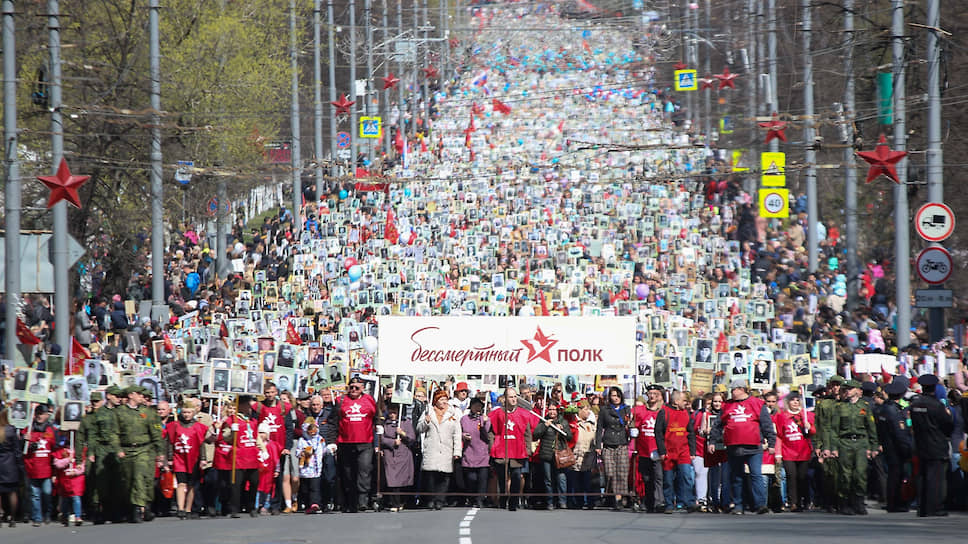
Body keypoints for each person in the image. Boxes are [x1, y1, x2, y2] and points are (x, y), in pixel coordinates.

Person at [709, 379, 776, 515]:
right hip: (734, 446)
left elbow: (766, 424)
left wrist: (771, 442)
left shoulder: (757, 404)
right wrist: (712, 441)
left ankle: (760, 505)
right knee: (736, 476)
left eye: (733, 390)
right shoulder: (727, 406)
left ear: (741, 389)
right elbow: (717, 425)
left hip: (753, 446)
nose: (731, 392)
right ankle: (738, 505)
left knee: (756, 475)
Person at [111, 385, 165, 523]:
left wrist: (160, 452)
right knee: (128, 480)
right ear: (131, 395)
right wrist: (118, 450)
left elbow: (156, 434)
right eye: (139, 394)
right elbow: (114, 433)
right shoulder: (119, 412)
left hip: (144, 450)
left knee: (139, 477)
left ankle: (138, 508)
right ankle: (136, 507)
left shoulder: (148, 413)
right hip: (126, 450)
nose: (142, 397)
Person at [826, 379, 878, 515]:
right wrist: (834, 447)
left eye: (850, 389)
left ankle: (859, 502)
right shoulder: (840, 407)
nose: (847, 391)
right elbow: (834, 429)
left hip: (861, 443)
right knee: (845, 475)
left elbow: (871, 428)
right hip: (845, 443)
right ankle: (844, 502)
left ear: (857, 390)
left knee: (860, 474)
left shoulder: (864, 406)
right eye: (846, 389)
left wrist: (874, 446)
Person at [908, 374, 954, 517]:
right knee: (937, 478)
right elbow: (948, 424)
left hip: (921, 444)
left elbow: (913, 424)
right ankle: (935, 507)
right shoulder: (937, 405)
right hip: (936, 444)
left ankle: (923, 507)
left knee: (922, 476)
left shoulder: (915, 405)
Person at [335, 376, 378, 512]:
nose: (353, 389)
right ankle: (349, 502)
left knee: (364, 471)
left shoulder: (369, 400)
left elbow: (377, 418)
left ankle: (363, 501)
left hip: (365, 442)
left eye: (357, 387)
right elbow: (333, 421)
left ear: (362, 388)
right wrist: (332, 442)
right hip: (345, 442)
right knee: (347, 473)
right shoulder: (340, 400)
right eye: (351, 387)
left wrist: (378, 437)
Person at [417, 389, 462, 510]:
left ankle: (440, 500)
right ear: (435, 401)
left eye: (445, 400)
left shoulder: (452, 415)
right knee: (430, 476)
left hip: (446, 449)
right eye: (441, 400)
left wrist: (457, 451)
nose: (444, 402)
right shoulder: (429, 412)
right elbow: (419, 428)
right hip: (432, 448)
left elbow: (457, 434)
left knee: (444, 477)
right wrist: (425, 422)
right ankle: (430, 499)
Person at [164, 399, 210, 519]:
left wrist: (203, 459)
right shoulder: (174, 425)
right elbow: (170, 442)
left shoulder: (198, 427)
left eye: (189, 412)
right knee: (181, 483)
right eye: (184, 412)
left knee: (191, 485)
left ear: (193, 413)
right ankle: (180, 508)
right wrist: (169, 458)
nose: (186, 415)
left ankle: (188, 508)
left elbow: (201, 444)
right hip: (179, 457)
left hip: (193, 458)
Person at [251, 382, 293, 514]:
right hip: (264, 448)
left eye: (272, 392)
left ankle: (275, 505)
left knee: (278, 476)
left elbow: (289, 428)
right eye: (267, 392)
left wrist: (287, 446)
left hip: (279, 447)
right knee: (262, 476)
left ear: (276, 393)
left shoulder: (283, 407)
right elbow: (253, 425)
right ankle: (260, 503)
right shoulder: (259, 407)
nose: (270, 395)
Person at [489, 387, 531, 511]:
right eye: (511, 397)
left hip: (517, 451)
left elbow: (527, 433)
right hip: (501, 450)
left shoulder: (523, 414)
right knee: (502, 478)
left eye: (514, 397)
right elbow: (492, 432)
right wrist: (491, 447)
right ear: (505, 399)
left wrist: (528, 449)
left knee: (516, 477)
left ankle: (513, 502)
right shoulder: (498, 413)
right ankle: (503, 500)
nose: (513, 399)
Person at [874, 379, 912, 512]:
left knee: (892, 475)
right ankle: (895, 503)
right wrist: (907, 449)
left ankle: (892, 502)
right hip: (896, 448)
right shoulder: (893, 410)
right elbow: (899, 433)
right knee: (897, 476)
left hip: (888, 446)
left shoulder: (883, 408)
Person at [773, 392, 815, 511]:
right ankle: (793, 502)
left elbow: (814, 432)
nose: (795, 402)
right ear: (788, 402)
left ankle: (803, 499)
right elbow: (779, 436)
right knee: (791, 476)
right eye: (792, 400)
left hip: (804, 451)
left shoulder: (806, 415)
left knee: (802, 477)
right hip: (788, 452)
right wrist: (778, 453)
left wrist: (809, 427)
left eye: (797, 400)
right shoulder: (782, 416)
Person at [595, 386, 632, 511]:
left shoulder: (626, 409)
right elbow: (599, 428)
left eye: (617, 395)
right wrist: (597, 445)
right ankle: (612, 496)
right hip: (608, 443)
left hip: (622, 443)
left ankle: (619, 498)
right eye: (613, 396)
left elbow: (631, 426)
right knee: (610, 473)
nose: (615, 398)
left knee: (622, 472)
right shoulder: (604, 410)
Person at [633, 384, 667, 512]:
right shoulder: (641, 411)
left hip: (657, 449)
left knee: (658, 476)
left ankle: (659, 502)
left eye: (655, 394)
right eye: (650, 394)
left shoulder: (663, 410)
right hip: (643, 449)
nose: (652, 396)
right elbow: (633, 426)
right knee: (646, 478)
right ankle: (649, 501)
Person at [662, 391, 697, 513]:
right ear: (676, 401)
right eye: (684, 401)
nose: (686, 404)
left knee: (687, 476)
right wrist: (662, 450)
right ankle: (669, 503)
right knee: (668, 479)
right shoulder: (664, 412)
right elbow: (658, 432)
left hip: (683, 450)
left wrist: (692, 451)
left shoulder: (686, 413)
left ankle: (689, 502)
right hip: (668, 451)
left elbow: (691, 432)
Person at [534, 403, 573, 510]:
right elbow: (535, 434)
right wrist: (544, 426)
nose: (551, 412)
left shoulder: (563, 421)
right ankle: (550, 502)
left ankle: (562, 501)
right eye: (550, 409)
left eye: (554, 409)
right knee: (548, 480)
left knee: (561, 478)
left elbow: (570, 437)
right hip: (546, 455)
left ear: (557, 411)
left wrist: (563, 431)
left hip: (560, 456)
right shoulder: (543, 420)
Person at [23, 404, 57, 526]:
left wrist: (55, 469)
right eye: (38, 413)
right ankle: (37, 517)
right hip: (32, 468)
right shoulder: (28, 429)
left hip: (47, 469)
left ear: (47, 415)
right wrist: (24, 440)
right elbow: (20, 448)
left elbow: (56, 448)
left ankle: (47, 514)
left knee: (47, 494)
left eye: (42, 414)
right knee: (35, 495)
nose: (39, 416)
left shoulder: (51, 430)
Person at [380, 404, 415, 512]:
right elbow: (381, 438)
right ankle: (394, 502)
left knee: (403, 480)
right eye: (390, 412)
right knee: (392, 479)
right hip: (390, 454)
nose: (392, 415)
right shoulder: (384, 424)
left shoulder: (406, 422)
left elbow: (412, 438)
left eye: (394, 412)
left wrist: (402, 434)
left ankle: (402, 501)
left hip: (403, 454)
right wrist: (392, 442)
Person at [459, 398, 490, 508]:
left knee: (482, 479)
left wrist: (485, 424)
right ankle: (471, 498)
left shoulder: (485, 419)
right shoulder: (464, 419)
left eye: (480, 406)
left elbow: (487, 437)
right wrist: (463, 436)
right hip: (469, 452)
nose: (478, 408)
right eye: (476, 405)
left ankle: (480, 499)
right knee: (471, 478)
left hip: (482, 453)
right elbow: (459, 432)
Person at [295, 418, 327, 513]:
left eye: (314, 431)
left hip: (316, 468)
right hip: (305, 468)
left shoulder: (320, 439)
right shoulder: (302, 440)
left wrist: (328, 450)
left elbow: (324, 449)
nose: (312, 433)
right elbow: (298, 452)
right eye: (310, 431)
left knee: (315, 487)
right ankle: (307, 503)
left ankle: (315, 504)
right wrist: (303, 453)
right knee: (305, 488)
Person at [52, 436, 85, 526]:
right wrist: (67, 460)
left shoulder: (80, 452)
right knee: (65, 499)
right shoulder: (60, 452)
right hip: (64, 478)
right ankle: (65, 516)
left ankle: (77, 516)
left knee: (76, 497)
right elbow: (57, 464)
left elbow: (83, 465)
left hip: (76, 479)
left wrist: (76, 472)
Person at [0, 407, 23, 527]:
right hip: (10, 464)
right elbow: (17, 450)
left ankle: (1, 514)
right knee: (12, 492)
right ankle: (13, 518)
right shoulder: (11, 430)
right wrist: (20, 466)